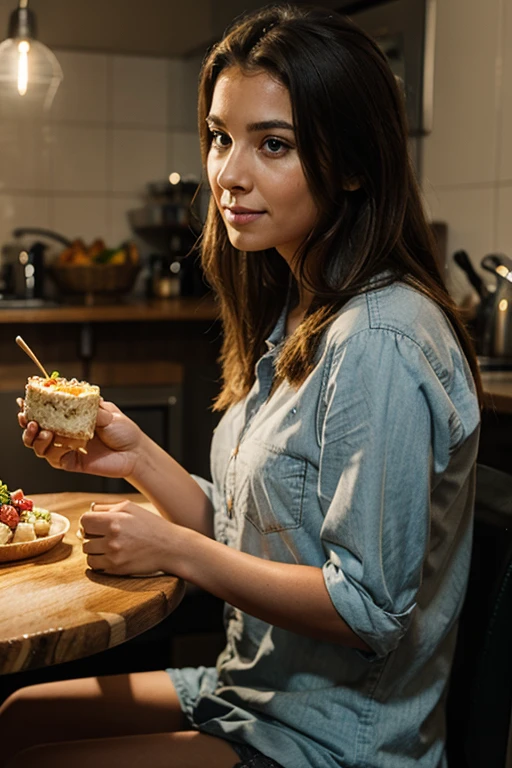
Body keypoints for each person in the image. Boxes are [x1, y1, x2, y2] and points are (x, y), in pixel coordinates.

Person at [0, 4, 482, 767]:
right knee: (20, 717)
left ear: (354, 165)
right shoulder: (300, 311)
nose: (228, 173)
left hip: (335, 737)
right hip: (252, 687)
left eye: (275, 145)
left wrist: (176, 553)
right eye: (221, 137)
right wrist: (132, 457)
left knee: (36, 756)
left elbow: (367, 609)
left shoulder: (381, 337)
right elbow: (247, 532)